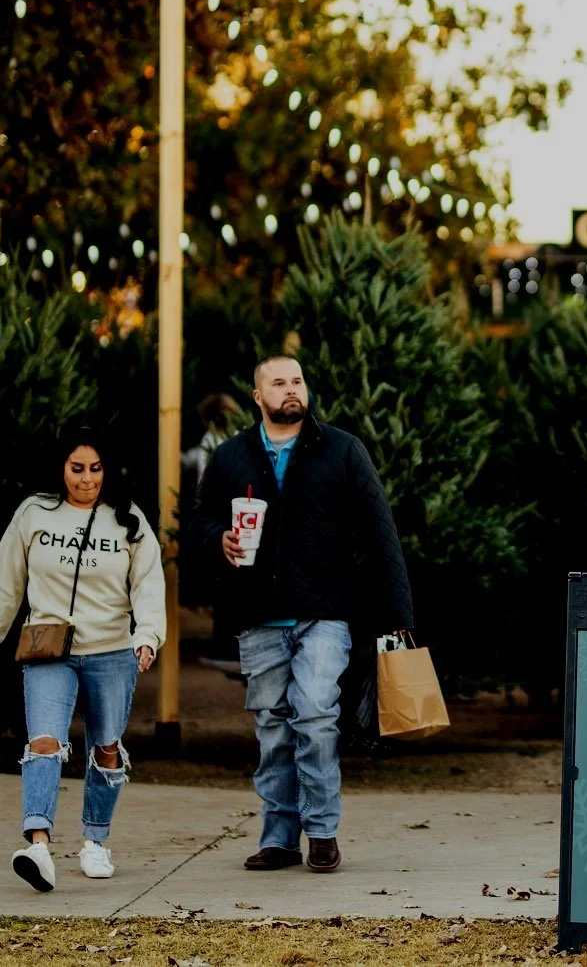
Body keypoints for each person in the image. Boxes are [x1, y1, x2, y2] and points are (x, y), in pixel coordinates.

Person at [191, 355, 413, 875]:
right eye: (278, 383)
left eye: (297, 381)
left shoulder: (341, 449)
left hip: (325, 611)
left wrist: (398, 612)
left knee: (314, 714)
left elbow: (380, 530)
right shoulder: (231, 456)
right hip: (258, 613)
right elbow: (199, 519)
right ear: (257, 397)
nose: (291, 389)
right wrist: (218, 539)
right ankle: (279, 838)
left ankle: (321, 831)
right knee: (272, 728)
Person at [0, 430, 165, 891]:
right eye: (77, 469)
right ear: (61, 469)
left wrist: (148, 636)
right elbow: (6, 582)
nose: (87, 479)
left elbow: (148, 583)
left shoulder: (128, 518)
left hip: (112, 650)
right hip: (48, 648)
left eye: (95, 469)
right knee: (43, 741)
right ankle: (37, 844)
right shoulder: (35, 512)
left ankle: (96, 841)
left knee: (107, 749)